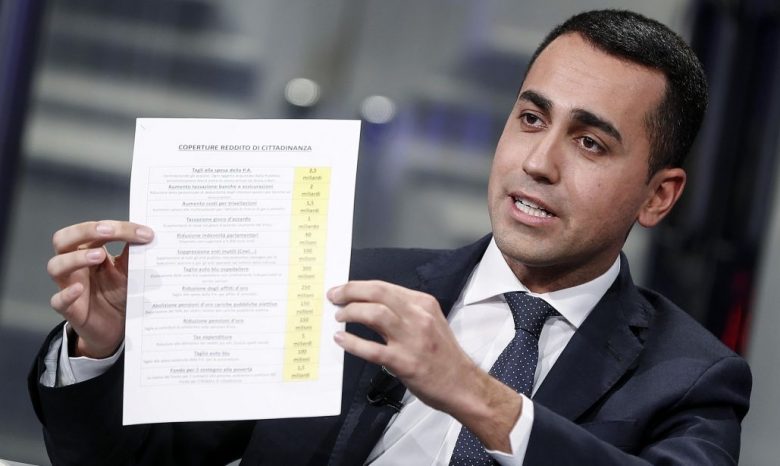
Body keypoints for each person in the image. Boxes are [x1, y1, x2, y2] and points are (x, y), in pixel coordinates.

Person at [30, 9, 751, 465]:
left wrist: (476, 394)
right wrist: (103, 349)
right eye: (531, 119)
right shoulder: (343, 288)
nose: (538, 162)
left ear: (658, 196)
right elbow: (138, 458)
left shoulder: (691, 377)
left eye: (590, 143)